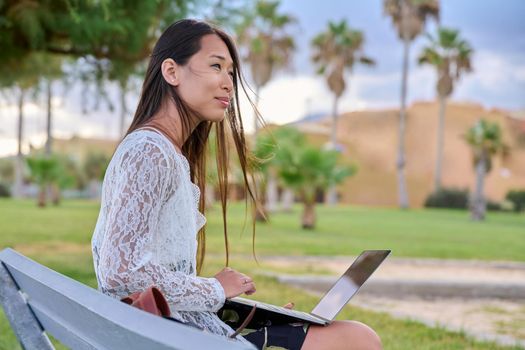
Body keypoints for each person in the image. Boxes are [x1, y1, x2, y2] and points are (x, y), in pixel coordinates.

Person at [91, 19, 382, 350]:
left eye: (231, 72)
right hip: (173, 341)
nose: (228, 83)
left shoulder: (161, 151)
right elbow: (120, 273)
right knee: (357, 339)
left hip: (178, 337)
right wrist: (215, 288)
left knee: (347, 336)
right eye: (216, 66)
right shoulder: (150, 151)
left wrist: (252, 317)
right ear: (171, 72)